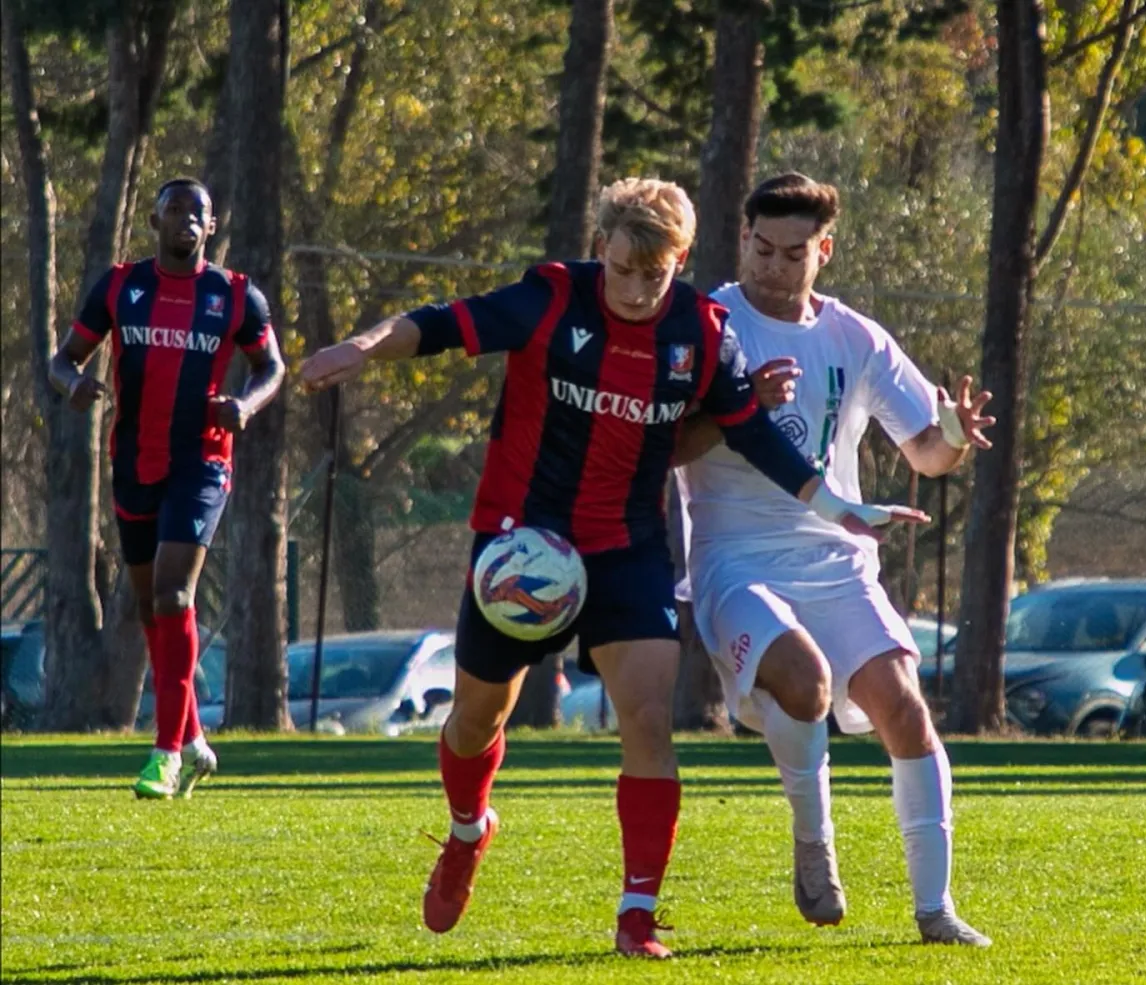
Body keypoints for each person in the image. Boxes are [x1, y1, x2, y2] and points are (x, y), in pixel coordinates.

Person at [300, 177, 925, 958]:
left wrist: (838, 507)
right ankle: (467, 828)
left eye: (653, 274)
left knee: (648, 719)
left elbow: (755, 436)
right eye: (623, 268)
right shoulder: (551, 298)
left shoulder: (703, 332)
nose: (634, 289)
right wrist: (359, 349)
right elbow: (439, 324)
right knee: (475, 720)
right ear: (601, 248)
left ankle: (637, 914)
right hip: (522, 546)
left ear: (680, 262)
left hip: (626, 548)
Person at [674, 173, 995, 946]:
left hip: (837, 558)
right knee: (805, 679)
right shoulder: (706, 323)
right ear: (742, 237)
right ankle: (814, 843)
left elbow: (927, 452)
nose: (773, 266)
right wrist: (737, 406)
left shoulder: (856, 337)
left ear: (825, 251)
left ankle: (936, 911)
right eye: (761, 248)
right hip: (734, 561)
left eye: (794, 253)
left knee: (905, 709)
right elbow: (667, 447)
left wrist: (954, 434)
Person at [48, 177, 285, 800]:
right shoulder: (121, 286)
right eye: (174, 209)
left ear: (212, 226)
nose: (186, 220)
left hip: (202, 462)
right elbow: (62, 359)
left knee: (175, 594)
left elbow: (272, 367)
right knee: (152, 606)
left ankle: (166, 754)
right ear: (155, 221)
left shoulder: (234, 295)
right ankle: (196, 738)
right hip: (133, 460)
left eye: (197, 212)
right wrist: (72, 384)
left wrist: (246, 405)